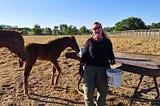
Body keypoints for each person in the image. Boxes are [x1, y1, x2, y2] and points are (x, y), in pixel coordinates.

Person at [79, 22, 116, 106]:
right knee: (88, 93)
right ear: (92, 31)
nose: (96, 30)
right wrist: (81, 66)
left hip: (104, 69)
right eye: (94, 28)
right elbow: (84, 55)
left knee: (103, 93)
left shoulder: (107, 42)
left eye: (98, 27)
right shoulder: (89, 41)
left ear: (101, 29)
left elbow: (110, 52)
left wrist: (112, 59)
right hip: (90, 69)